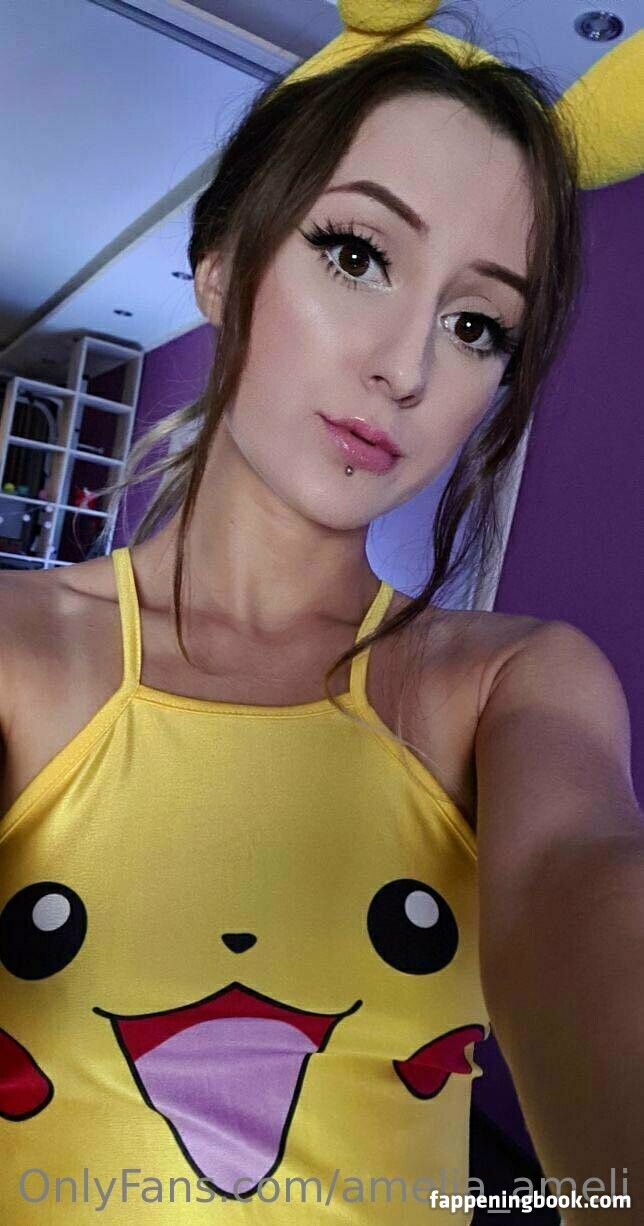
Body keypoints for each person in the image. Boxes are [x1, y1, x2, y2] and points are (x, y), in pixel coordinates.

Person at [0, 28, 642, 1226]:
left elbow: (579, 881)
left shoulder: (509, 684)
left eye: (475, 324)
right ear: (219, 264)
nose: (404, 366)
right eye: (356, 254)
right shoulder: (15, 652)